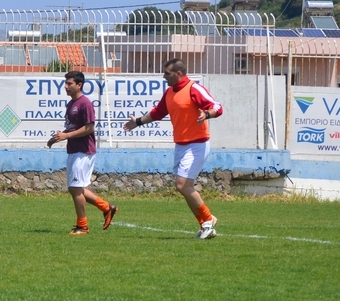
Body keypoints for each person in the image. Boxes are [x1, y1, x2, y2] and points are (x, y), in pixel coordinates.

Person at [123, 58, 222, 239]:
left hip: (197, 144)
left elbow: (217, 107)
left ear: (178, 73)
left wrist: (207, 114)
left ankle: (208, 220)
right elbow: (158, 113)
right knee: (184, 187)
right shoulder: (169, 92)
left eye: (167, 73)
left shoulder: (194, 88)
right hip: (181, 145)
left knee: (182, 185)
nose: (164, 76)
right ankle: (205, 224)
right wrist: (137, 122)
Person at [47, 70, 118, 235]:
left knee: (75, 188)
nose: (66, 87)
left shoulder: (85, 103)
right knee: (76, 188)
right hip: (74, 150)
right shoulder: (71, 104)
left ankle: (82, 226)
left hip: (84, 151)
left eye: (69, 83)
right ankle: (107, 208)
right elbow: (72, 128)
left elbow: (89, 128)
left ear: (79, 85)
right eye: (65, 83)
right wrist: (58, 137)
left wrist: (66, 135)